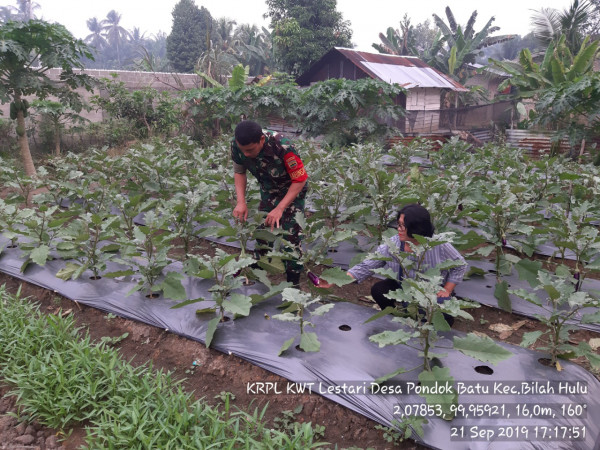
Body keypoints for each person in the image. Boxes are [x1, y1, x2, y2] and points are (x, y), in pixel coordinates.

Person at [321, 204, 467, 324]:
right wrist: (335, 280)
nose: (398, 229)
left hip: (432, 291)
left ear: (417, 228)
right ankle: (396, 317)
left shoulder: (438, 244)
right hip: (403, 286)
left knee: (444, 317)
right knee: (379, 290)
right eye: (398, 224)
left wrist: (447, 289)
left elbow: (460, 265)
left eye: (403, 226)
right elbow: (367, 266)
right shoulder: (394, 244)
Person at [231, 120, 308, 287]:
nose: (245, 154)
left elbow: (300, 179)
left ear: (261, 140)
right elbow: (239, 171)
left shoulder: (283, 146)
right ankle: (261, 267)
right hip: (268, 189)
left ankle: (293, 282)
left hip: (292, 190)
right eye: (242, 150)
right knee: (264, 229)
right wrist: (241, 202)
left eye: (250, 150)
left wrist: (280, 208)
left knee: (291, 235)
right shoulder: (237, 145)